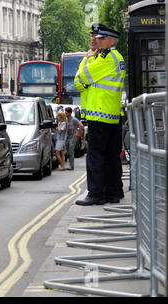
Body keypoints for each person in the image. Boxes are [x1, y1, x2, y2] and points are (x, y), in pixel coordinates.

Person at [74, 25, 126, 206]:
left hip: (100, 115)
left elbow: (79, 80)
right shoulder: (117, 57)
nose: (98, 41)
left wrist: (87, 59)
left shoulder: (105, 58)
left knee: (95, 156)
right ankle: (113, 192)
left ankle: (95, 193)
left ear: (111, 41)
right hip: (112, 115)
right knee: (112, 157)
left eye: (102, 38)